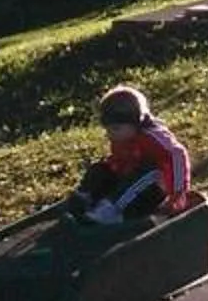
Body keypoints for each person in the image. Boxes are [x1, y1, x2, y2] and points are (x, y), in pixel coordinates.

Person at [70, 84, 195, 224]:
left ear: (135, 122)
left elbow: (177, 154)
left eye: (116, 128)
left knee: (147, 172)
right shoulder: (121, 139)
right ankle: (85, 199)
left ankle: (111, 211)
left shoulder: (152, 137)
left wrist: (178, 192)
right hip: (130, 186)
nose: (110, 134)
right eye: (108, 130)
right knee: (101, 168)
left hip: (154, 190)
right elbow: (120, 162)